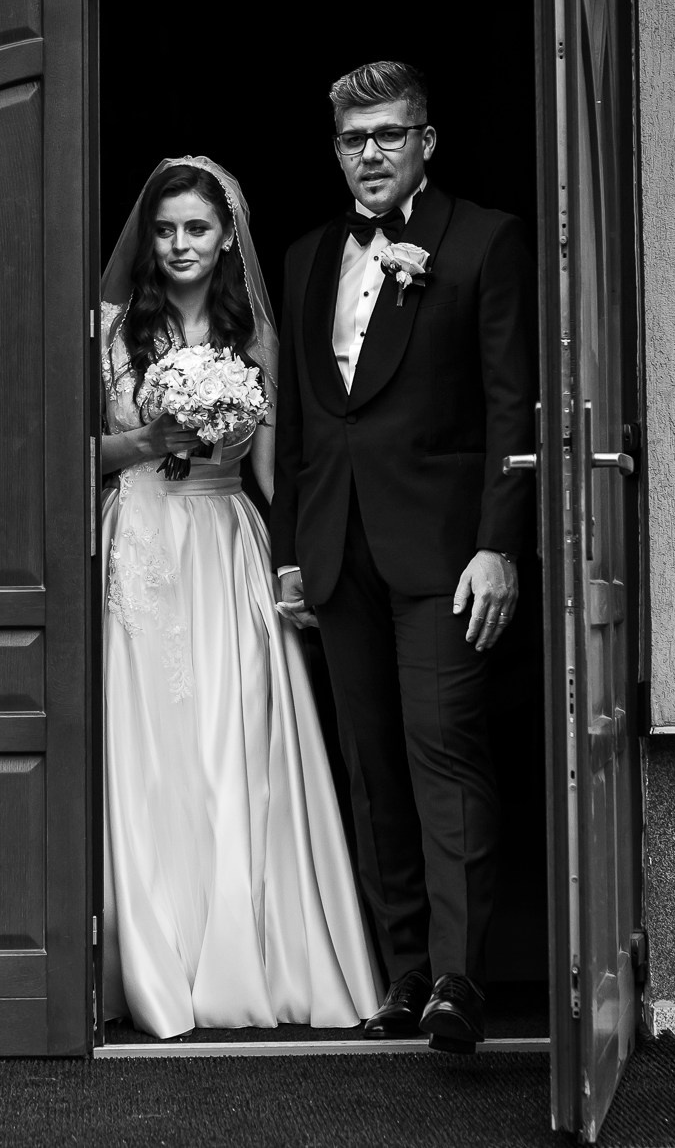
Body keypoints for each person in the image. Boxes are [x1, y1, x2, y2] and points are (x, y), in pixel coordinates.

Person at [269, 62, 538, 1054]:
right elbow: (301, 423)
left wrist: (495, 548)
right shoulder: (304, 258)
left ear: (427, 140)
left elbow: (513, 405)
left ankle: (459, 985)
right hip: (337, 551)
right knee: (370, 767)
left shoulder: (482, 240)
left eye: (389, 134)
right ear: (334, 149)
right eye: (352, 139)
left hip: (442, 555)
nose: (370, 154)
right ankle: (401, 975)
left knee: (442, 753)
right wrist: (293, 552)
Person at [99, 156, 382, 1039]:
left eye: (197, 228)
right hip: (145, 542)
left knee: (237, 741)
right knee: (150, 748)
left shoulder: (255, 334)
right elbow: (75, 453)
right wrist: (149, 435)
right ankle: (153, 962)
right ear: (148, 238)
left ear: (227, 239)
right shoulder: (110, 328)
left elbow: (272, 472)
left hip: (225, 545)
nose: (180, 244)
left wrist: (297, 561)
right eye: (165, 228)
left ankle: (244, 955)